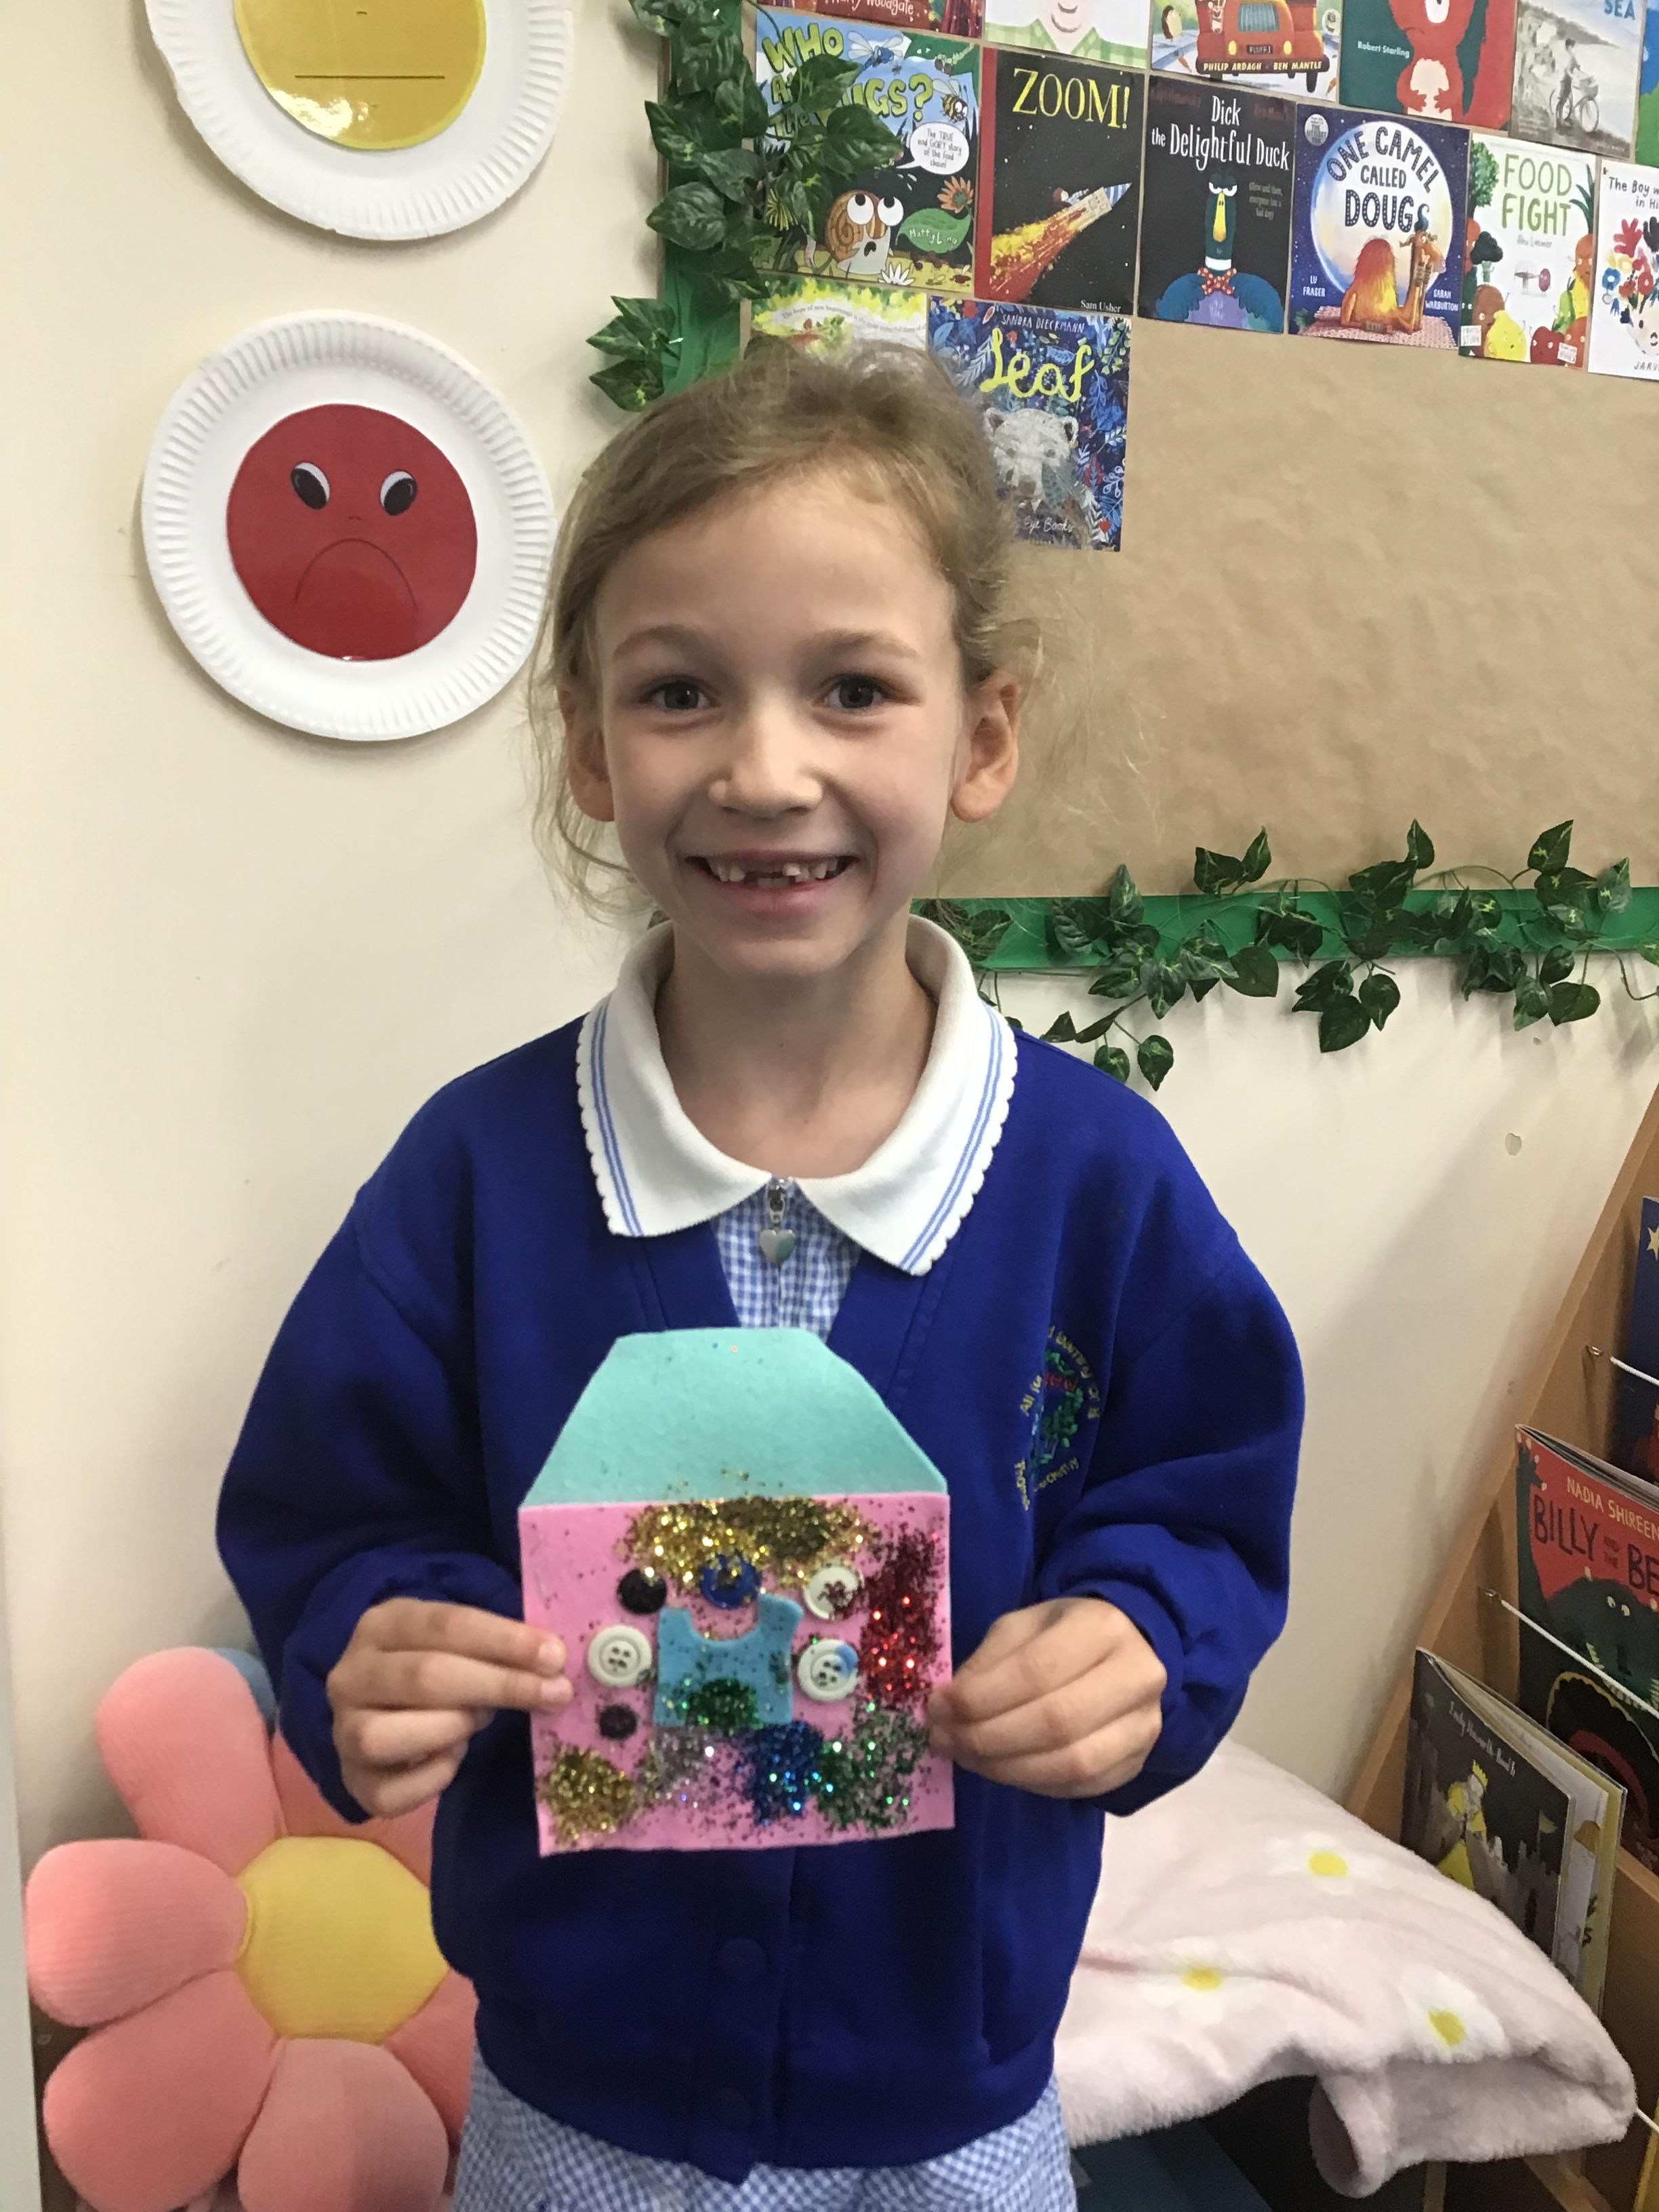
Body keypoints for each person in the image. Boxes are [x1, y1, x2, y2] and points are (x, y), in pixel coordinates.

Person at [217, 345, 1302, 2211]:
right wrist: (372, 1644)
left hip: (956, 2114)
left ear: (981, 735)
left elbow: (1203, 1496)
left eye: (854, 688)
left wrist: (1143, 1636)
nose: (763, 768)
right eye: (678, 691)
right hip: (577, 2113)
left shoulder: (1095, 1184)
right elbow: (333, 1517)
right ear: (588, 744)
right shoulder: (475, 1178)